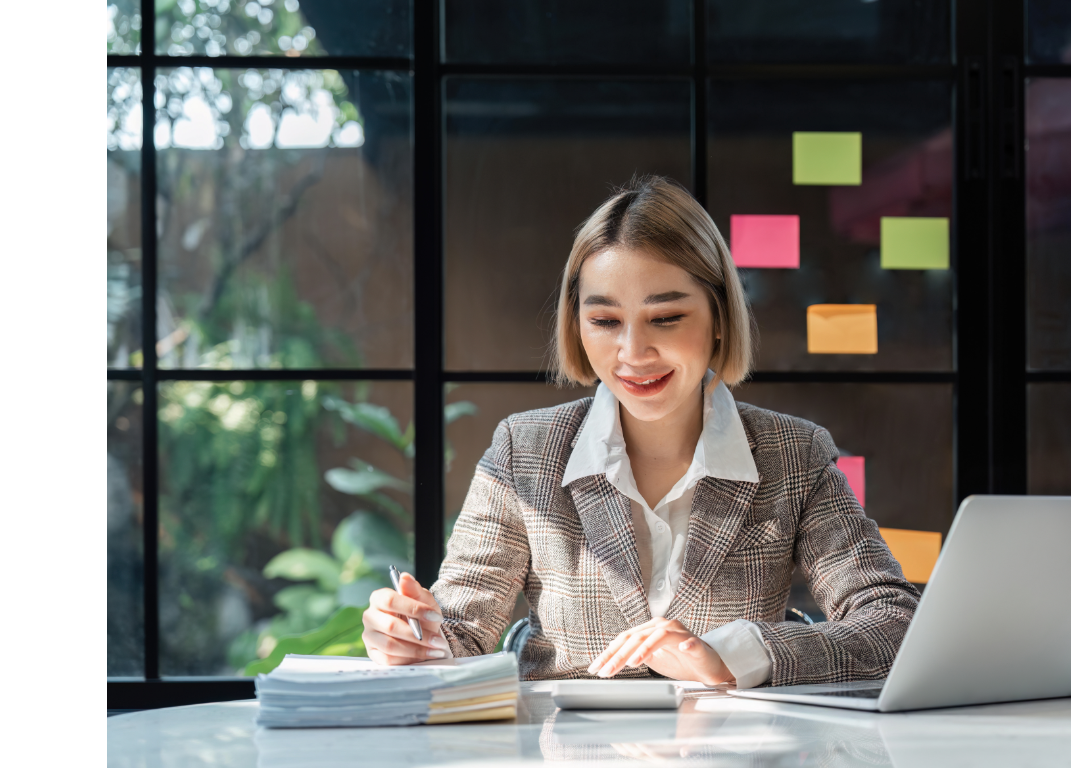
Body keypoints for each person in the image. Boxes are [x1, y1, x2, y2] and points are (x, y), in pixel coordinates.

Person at [362, 176, 919, 688]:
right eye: (604, 321)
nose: (632, 352)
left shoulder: (793, 455)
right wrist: (414, 640)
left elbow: (894, 625)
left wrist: (735, 655)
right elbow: (458, 632)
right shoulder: (523, 452)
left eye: (666, 317)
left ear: (720, 317)